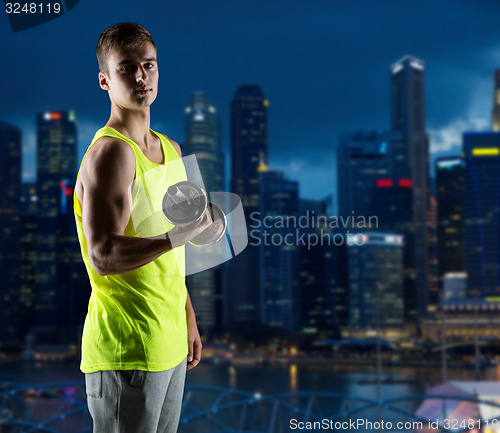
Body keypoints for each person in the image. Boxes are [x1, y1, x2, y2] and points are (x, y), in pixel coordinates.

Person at [73, 22, 212, 433]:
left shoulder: (171, 149)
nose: (140, 76)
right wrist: (176, 236)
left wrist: (188, 316)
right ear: (105, 80)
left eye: (148, 65)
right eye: (126, 68)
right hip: (126, 347)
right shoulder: (112, 154)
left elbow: (174, 254)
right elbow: (103, 255)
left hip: (168, 340)